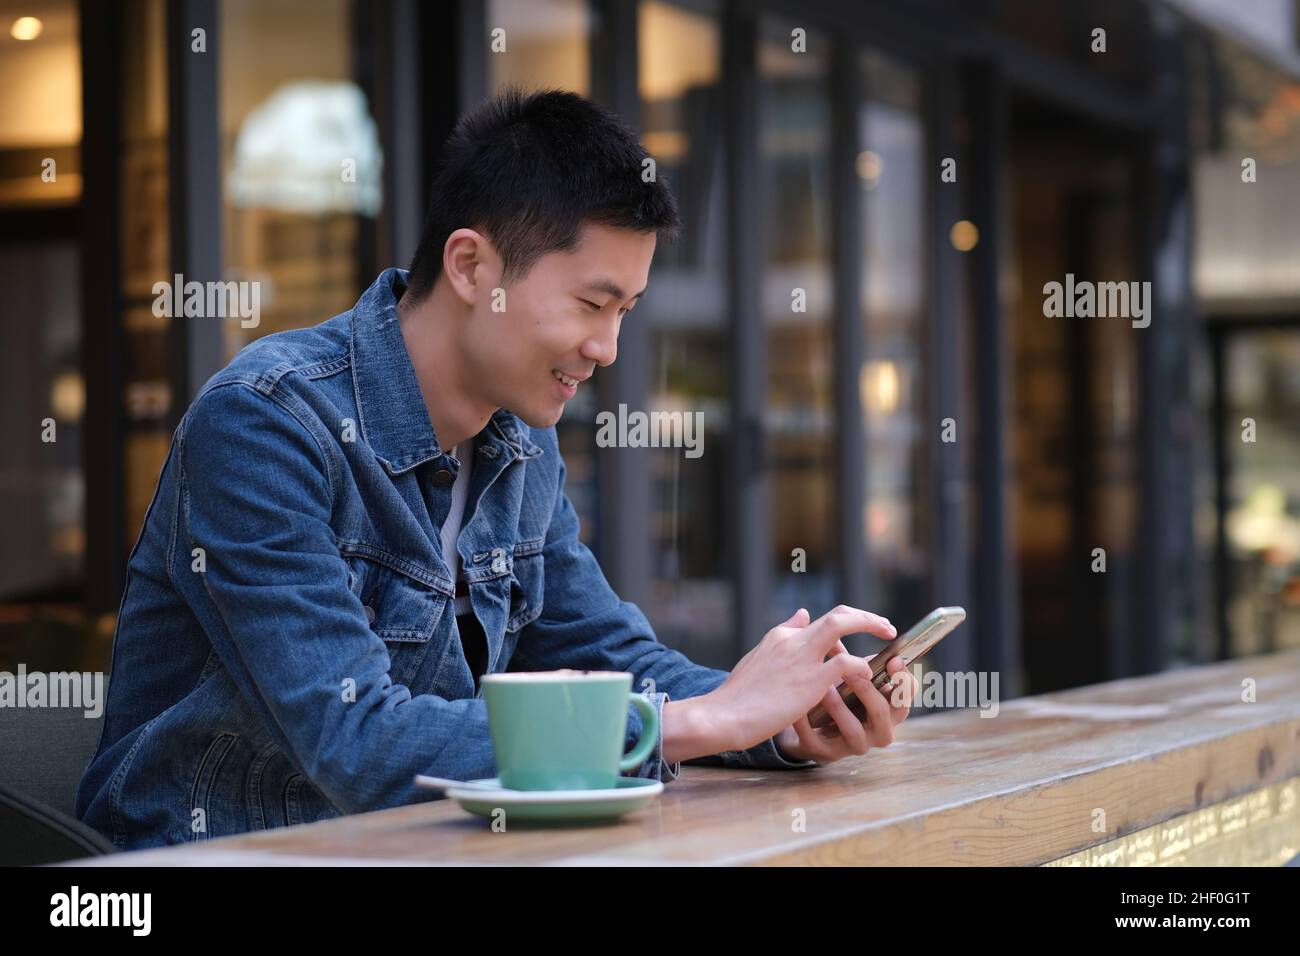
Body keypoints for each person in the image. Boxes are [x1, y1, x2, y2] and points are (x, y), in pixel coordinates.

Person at [76, 86, 915, 850]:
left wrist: (792, 716)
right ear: (472, 265)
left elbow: (601, 653)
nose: (607, 349)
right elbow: (357, 740)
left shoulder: (519, 440)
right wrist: (699, 721)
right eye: (591, 304)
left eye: (625, 311)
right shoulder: (264, 424)